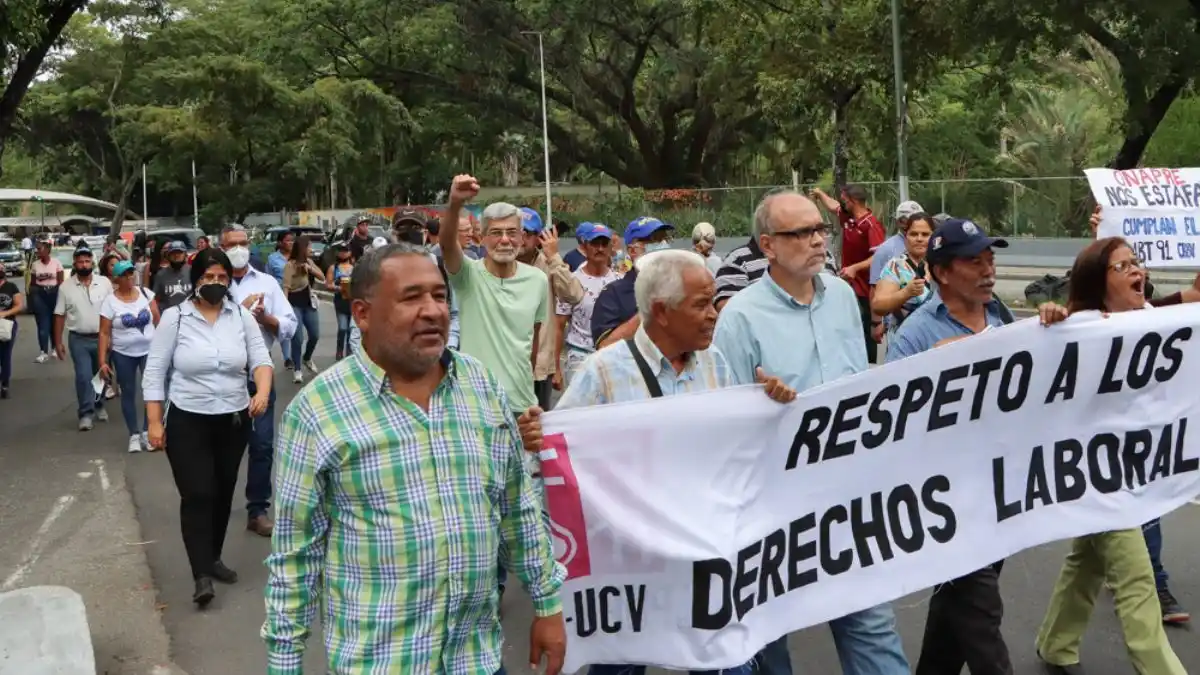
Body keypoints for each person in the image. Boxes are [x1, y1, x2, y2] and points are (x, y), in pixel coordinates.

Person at [263, 243, 566, 675]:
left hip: (476, 660)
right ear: (363, 314)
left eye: (440, 296)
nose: (432, 311)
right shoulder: (317, 412)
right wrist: (284, 664)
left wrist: (548, 604)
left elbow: (517, 508)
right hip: (381, 663)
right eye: (411, 298)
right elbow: (295, 558)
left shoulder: (481, 387)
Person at [549, 248, 796, 675]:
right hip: (630, 565)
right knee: (621, 665)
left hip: (703, 553)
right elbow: (558, 459)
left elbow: (733, 447)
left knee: (726, 663)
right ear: (661, 312)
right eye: (701, 304)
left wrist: (767, 407)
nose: (714, 314)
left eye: (714, 300)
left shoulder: (715, 363)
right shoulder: (603, 373)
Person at [713, 191, 911, 675]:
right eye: (800, 232)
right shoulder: (739, 317)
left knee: (872, 632)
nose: (818, 239)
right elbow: (721, 421)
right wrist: (760, 406)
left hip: (848, 503)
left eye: (819, 228)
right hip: (773, 511)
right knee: (767, 642)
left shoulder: (843, 296)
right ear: (768, 245)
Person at [1032, 237, 1186, 675]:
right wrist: (1053, 320)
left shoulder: (1155, 320)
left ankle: (1056, 644)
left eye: (1137, 262)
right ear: (1100, 282)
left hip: (1134, 471)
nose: (1137, 271)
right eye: (1123, 266)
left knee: (1087, 561)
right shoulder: (1077, 326)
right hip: (1092, 474)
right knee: (1137, 580)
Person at [886, 218, 1015, 675]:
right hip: (945, 500)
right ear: (941, 272)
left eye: (990, 260)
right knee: (982, 614)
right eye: (974, 262)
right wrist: (945, 370)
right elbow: (891, 419)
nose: (988, 271)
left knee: (956, 609)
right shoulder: (916, 337)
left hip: (996, 490)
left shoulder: (1001, 316)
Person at [143, 248, 272, 608]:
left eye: (221, 277)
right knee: (197, 493)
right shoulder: (176, 318)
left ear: (229, 280)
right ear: (195, 280)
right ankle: (201, 574)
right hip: (188, 418)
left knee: (222, 491)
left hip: (232, 419)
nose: (214, 284)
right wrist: (154, 422)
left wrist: (261, 391)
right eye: (207, 277)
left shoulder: (241, 317)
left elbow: (261, 361)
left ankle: (212, 556)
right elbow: (155, 371)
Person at [440, 176, 548, 415]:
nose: (505, 240)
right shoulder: (467, 275)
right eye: (496, 232)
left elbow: (533, 342)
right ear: (483, 237)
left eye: (512, 232)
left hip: (522, 403)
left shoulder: (538, 280)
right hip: (475, 404)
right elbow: (447, 244)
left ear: (521, 237)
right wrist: (455, 203)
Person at [218, 224, 297, 538]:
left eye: (243, 243)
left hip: (259, 373)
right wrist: (242, 310)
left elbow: (289, 326)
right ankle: (217, 504)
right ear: (221, 248)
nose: (238, 249)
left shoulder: (266, 283)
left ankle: (258, 509)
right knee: (223, 445)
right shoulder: (213, 283)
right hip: (223, 375)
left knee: (262, 445)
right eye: (231, 244)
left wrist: (265, 317)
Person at [516, 207, 583, 410]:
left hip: (539, 366)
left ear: (539, 238)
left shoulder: (548, 264)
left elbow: (574, 295)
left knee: (539, 426)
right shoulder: (494, 264)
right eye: (517, 231)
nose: (522, 238)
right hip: (505, 360)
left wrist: (554, 257)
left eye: (528, 233)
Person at [812, 184, 885, 363]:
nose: (841, 203)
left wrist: (855, 268)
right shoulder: (849, 218)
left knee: (865, 330)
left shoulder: (871, 225)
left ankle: (869, 366)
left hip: (866, 287)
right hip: (849, 284)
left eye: (844, 200)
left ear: (852, 201)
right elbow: (832, 206)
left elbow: (878, 258)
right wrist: (820, 194)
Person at [98, 260, 160, 453]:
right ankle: (133, 434)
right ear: (117, 279)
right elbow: (104, 333)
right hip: (123, 353)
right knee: (128, 391)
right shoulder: (110, 301)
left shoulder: (146, 294)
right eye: (124, 275)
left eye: (131, 273)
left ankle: (147, 431)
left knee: (151, 391)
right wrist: (102, 361)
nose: (129, 277)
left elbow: (158, 321)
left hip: (149, 350)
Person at [588, 216, 674, 349]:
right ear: (633, 250)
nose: (662, 245)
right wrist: (649, 312)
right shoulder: (613, 294)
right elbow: (604, 346)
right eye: (654, 240)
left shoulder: (679, 286)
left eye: (664, 239)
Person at [53, 247, 113, 431]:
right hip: (79, 339)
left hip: (102, 337)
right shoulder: (65, 287)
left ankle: (99, 404)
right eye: (80, 261)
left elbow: (113, 310)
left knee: (100, 374)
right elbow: (59, 315)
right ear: (75, 263)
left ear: (92, 262)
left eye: (87, 261)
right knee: (83, 376)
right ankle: (86, 413)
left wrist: (113, 336)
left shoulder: (104, 283)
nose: (84, 265)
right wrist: (58, 343)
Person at [554, 222, 618, 389]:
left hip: (612, 358)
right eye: (595, 244)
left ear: (611, 247)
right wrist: (556, 369)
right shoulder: (572, 282)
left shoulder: (618, 281)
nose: (600, 249)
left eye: (604, 244)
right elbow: (559, 325)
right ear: (584, 247)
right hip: (579, 358)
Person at [870, 213, 936, 337]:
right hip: (906, 339)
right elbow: (878, 305)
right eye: (914, 234)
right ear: (906, 237)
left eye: (925, 234)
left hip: (936, 339)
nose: (919, 239)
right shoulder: (896, 266)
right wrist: (906, 293)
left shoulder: (941, 265)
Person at [282, 234, 325, 383]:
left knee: (315, 335)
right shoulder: (289, 265)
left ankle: (307, 358)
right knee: (297, 338)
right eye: (309, 246)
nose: (311, 249)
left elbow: (322, 277)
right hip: (294, 304)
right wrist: (285, 309)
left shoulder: (309, 262)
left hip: (308, 303)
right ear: (302, 248)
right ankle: (297, 369)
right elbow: (286, 287)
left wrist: (310, 268)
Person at [29, 239, 64, 363]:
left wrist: (62, 299)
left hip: (54, 294)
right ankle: (43, 352)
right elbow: (32, 284)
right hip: (40, 294)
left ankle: (54, 348)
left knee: (54, 324)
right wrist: (31, 300)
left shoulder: (57, 263)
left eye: (40, 249)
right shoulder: (35, 265)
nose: (37, 251)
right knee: (43, 325)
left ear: (48, 250)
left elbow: (61, 283)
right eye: (37, 249)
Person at [325, 242, 354, 360]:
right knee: (343, 328)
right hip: (340, 301)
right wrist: (339, 288)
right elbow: (328, 284)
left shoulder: (355, 267)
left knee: (352, 330)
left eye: (345, 251)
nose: (343, 253)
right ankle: (339, 349)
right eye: (341, 251)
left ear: (350, 253)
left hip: (352, 301)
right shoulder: (334, 268)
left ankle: (349, 353)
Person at [0, 267, 24, 399]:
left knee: (5, 355)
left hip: (7, 325)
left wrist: (4, 313)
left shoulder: (11, 287)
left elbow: (19, 305)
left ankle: (5, 384)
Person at [152, 241, 193, 312]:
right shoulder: (161, 275)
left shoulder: (193, 271)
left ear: (185, 255)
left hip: (189, 315)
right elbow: (155, 299)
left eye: (179, 252)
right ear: (168, 255)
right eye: (173, 253)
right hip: (167, 315)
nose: (176, 255)